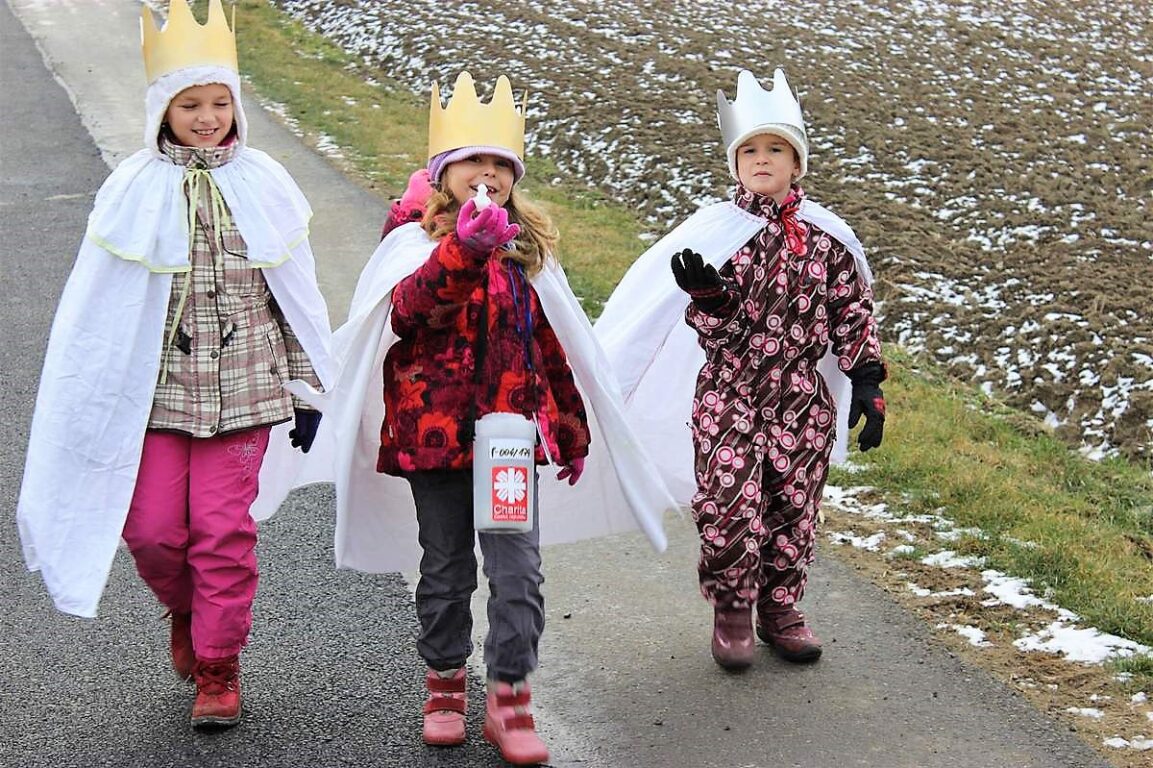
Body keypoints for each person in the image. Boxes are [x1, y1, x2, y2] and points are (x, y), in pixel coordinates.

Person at [285, 71, 672, 765]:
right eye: (473, 162)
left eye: (500, 165)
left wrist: (571, 429)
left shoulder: (525, 256)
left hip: (506, 445)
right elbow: (408, 312)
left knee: (517, 569)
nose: (487, 174)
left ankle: (510, 696)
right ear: (444, 174)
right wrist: (464, 248)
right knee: (445, 568)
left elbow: (552, 347)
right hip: (430, 441)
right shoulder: (414, 245)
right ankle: (443, 685)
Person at [16, 0, 333, 729]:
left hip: (247, 390)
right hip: (155, 396)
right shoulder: (133, 186)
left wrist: (306, 384)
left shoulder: (264, 182)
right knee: (155, 530)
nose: (207, 116)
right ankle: (186, 610)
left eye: (220, 102)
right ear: (163, 108)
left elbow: (290, 291)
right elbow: (102, 309)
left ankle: (219, 669)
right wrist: (95, 395)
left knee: (223, 532)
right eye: (190, 103)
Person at [595, 68, 887, 670]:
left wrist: (866, 378)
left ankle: (780, 609)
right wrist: (712, 300)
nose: (762, 159)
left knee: (794, 509)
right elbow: (714, 333)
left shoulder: (827, 239)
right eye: (749, 150)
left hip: (801, 400)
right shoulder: (721, 235)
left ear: (796, 163)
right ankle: (732, 610)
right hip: (729, 396)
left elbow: (850, 309)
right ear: (734, 163)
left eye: (775, 149)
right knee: (729, 507)